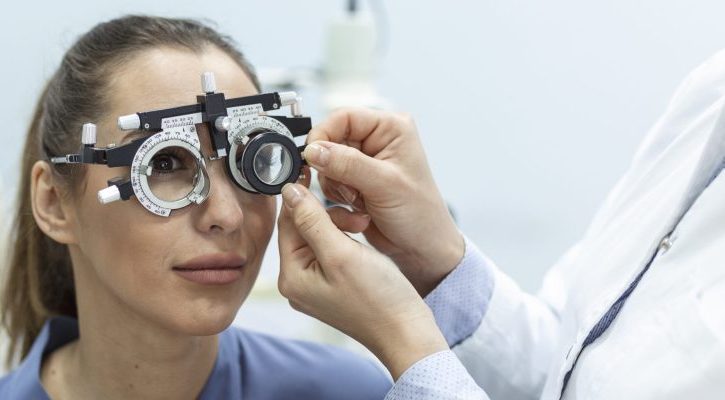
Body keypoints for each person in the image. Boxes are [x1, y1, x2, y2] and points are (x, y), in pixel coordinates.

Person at [0, 15, 392, 399]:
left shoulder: (352, 392)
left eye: (250, 160)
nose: (227, 215)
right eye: (164, 162)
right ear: (54, 203)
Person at [276, 49, 725, 399]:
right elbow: (573, 366)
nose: (225, 217)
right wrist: (437, 261)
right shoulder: (709, 94)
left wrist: (405, 342)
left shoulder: (341, 385)